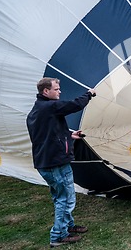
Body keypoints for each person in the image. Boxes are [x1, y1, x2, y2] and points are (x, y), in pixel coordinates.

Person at [26, 78, 96, 247]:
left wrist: (69, 136)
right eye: (56, 89)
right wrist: (89, 94)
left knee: (62, 196)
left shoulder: (37, 111)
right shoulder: (49, 107)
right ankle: (57, 236)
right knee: (64, 198)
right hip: (54, 163)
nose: (60, 91)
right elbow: (74, 105)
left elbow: (47, 134)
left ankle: (68, 226)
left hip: (50, 162)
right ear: (45, 92)